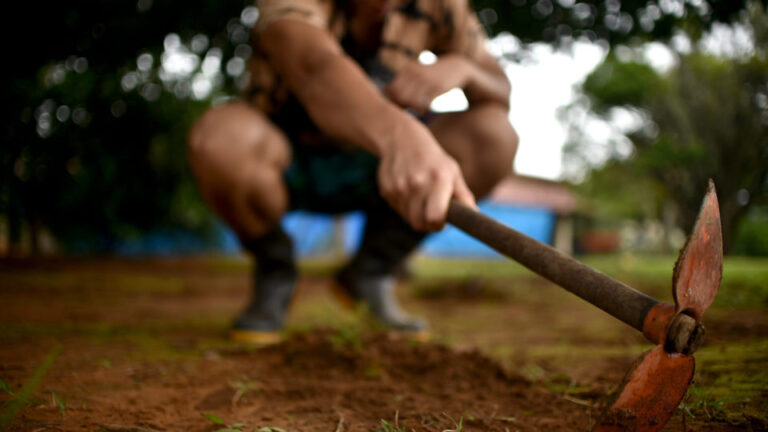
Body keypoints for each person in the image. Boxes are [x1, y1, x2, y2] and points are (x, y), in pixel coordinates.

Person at [187, 0, 519, 344]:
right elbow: (313, 65)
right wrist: (400, 137)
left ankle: (370, 272)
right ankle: (275, 271)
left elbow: (499, 87)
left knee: (493, 136)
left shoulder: (443, 7)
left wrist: (464, 69)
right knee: (220, 139)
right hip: (287, 155)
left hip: (377, 165)